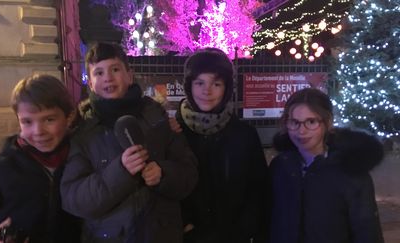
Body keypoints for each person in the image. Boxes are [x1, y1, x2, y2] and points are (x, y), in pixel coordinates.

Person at [60, 42, 198, 243]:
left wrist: (163, 174)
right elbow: (74, 198)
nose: (108, 77)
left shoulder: (158, 118)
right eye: (98, 73)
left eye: (115, 69)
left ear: (129, 75)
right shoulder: (82, 131)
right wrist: (120, 172)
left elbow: (189, 173)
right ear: (90, 83)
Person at [0, 74, 81, 243]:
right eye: (27, 122)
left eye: (49, 119)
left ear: (69, 117)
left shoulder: (81, 161)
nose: (38, 131)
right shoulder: (0, 170)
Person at [173, 48, 269, 243]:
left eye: (216, 84)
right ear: (189, 86)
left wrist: (243, 230)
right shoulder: (173, 132)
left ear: (226, 88)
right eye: (199, 83)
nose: (206, 91)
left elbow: (258, 191)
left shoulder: (244, 135)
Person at [270, 88, 384, 243]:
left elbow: (367, 232)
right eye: (294, 122)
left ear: (328, 123)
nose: (301, 131)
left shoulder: (350, 172)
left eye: (311, 122)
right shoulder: (281, 166)